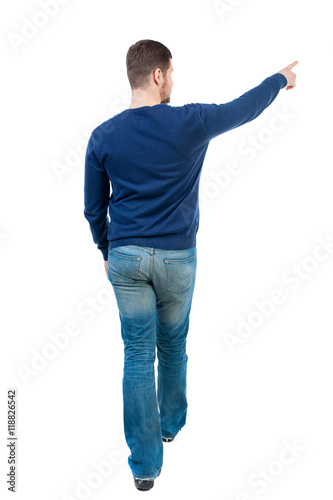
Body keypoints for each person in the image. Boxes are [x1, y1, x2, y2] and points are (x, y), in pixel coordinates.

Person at [83, 39, 298, 491]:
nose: (173, 82)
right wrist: (280, 79)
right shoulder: (191, 121)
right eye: (172, 74)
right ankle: (170, 425)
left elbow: (92, 208)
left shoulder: (103, 135)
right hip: (178, 257)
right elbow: (245, 108)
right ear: (158, 75)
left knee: (136, 354)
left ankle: (144, 467)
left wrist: (107, 250)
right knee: (172, 344)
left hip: (126, 258)